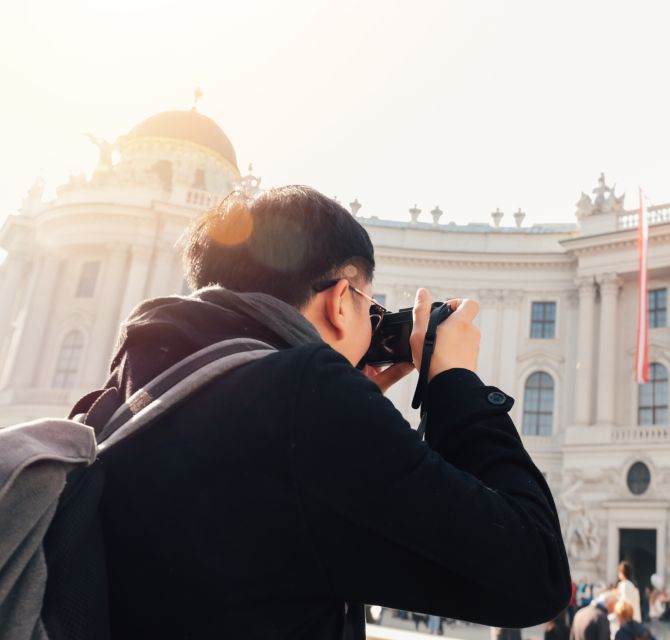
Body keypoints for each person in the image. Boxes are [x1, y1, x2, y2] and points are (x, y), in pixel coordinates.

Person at [80, 186, 572, 637]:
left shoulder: (121, 391)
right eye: (369, 307)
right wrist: (454, 384)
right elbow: (535, 573)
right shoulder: (306, 395)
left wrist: (349, 408)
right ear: (341, 301)